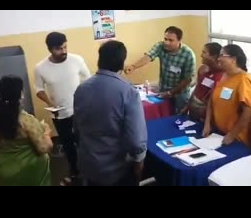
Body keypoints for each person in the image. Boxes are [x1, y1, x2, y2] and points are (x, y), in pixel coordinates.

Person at [74, 40, 148, 186]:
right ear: (122, 62)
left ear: (99, 60)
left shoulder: (81, 88)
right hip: (116, 169)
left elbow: (77, 127)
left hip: (88, 163)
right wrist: (139, 165)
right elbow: (136, 140)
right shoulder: (128, 92)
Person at [34, 32, 91, 186]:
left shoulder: (76, 60)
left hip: (80, 110)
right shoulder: (40, 68)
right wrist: (49, 102)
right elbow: (38, 88)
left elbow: (88, 79)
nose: (64, 51)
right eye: (59, 49)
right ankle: (74, 172)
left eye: (65, 47)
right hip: (59, 113)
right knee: (67, 144)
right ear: (50, 49)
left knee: (84, 142)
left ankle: (89, 172)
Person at [203, 44, 251, 153]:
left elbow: (249, 111)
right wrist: (207, 123)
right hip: (219, 134)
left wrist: (232, 135)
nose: (218, 59)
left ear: (233, 59)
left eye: (222, 55)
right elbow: (212, 99)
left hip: (238, 139)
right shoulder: (224, 75)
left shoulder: (244, 80)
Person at [0, 75, 53, 186]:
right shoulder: (26, 120)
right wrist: (47, 132)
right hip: (29, 170)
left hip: (4, 170)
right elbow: (44, 148)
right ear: (20, 94)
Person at [124, 26, 196, 114]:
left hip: (181, 92)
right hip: (163, 88)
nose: (166, 42)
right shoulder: (160, 46)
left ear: (179, 40)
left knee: (179, 116)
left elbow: (187, 79)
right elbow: (149, 56)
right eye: (165, 39)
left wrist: (170, 93)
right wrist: (134, 66)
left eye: (171, 40)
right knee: (164, 113)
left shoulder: (188, 54)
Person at [181, 42, 223, 121]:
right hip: (194, 109)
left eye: (204, 52)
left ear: (213, 57)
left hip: (206, 115)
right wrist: (188, 106)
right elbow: (197, 88)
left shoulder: (222, 76)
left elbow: (214, 101)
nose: (201, 55)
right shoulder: (203, 69)